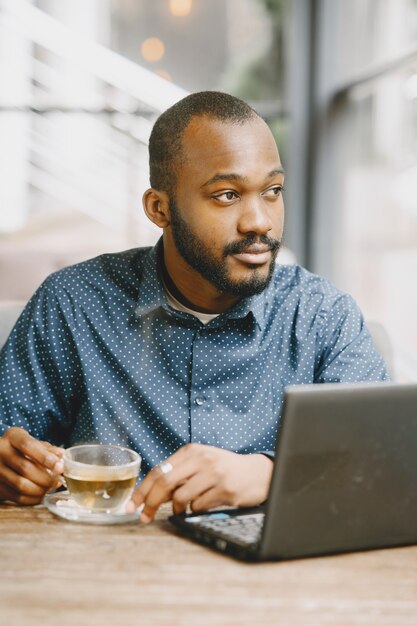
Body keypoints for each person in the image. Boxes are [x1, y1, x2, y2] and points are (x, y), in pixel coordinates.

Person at [0, 91, 388, 522]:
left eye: (273, 191)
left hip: (276, 583)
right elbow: (11, 446)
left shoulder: (323, 316)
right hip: (106, 573)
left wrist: (273, 474)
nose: (259, 221)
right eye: (226, 195)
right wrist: (11, 469)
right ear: (159, 208)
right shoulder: (72, 304)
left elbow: (383, 465)